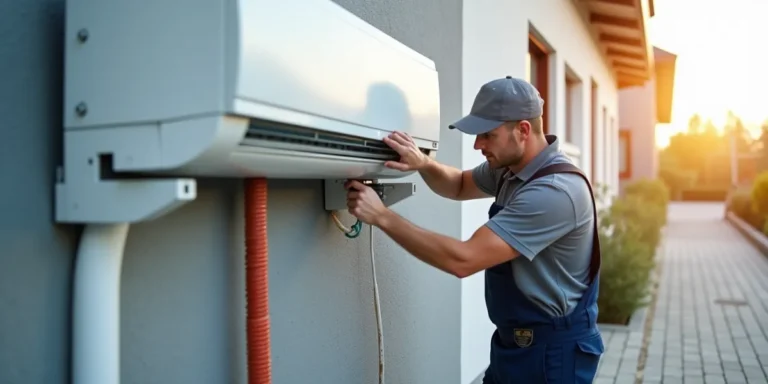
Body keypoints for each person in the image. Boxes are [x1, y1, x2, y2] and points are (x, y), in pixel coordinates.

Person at [345, 76, 604, 383]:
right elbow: (459, 185)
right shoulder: (512, 169)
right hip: (516, 345)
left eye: (487, 135)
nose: (477, 144)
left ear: (522, 130)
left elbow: (463, 260)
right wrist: (423, 163)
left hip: (553, 355)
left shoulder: (554, 192)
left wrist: (383, 217)